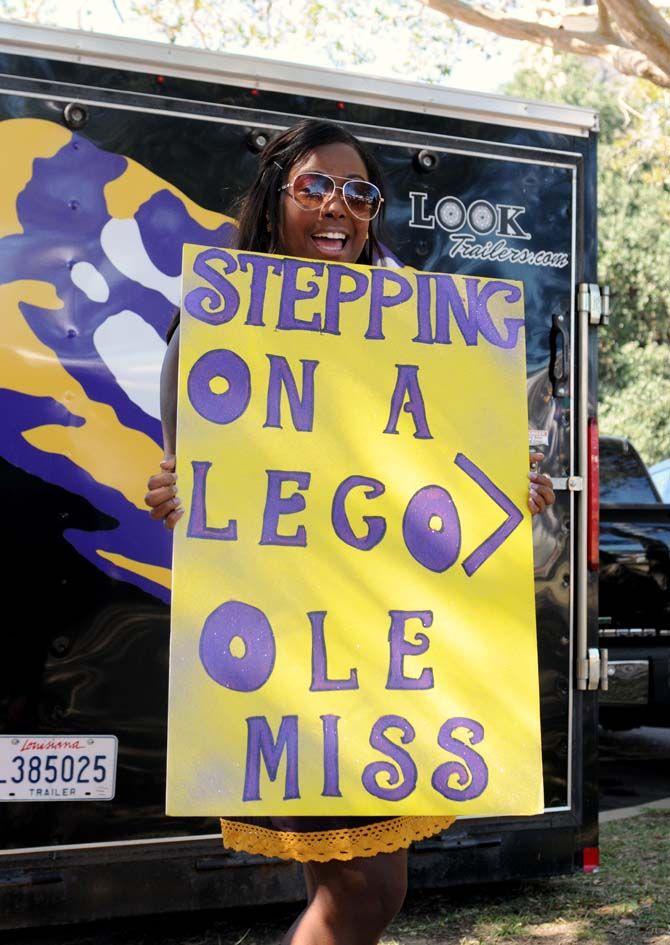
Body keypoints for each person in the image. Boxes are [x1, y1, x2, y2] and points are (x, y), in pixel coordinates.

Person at [144, 118, 556, 945]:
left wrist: (511, 493)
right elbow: (197, 476)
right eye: (316, 188)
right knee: (365, 893)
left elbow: (430, 474)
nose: (341, 207)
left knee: (376, 889)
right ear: (274, 199)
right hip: (287, 654)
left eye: (360, 193)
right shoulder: (215, 327)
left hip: (384, 658)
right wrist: (174, 491)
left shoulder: (417, 330)